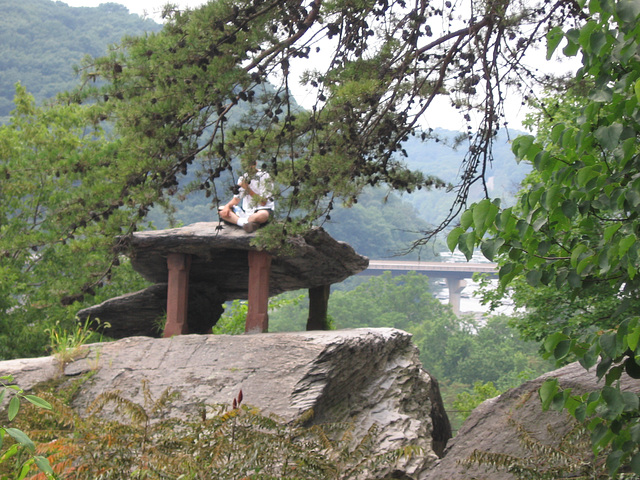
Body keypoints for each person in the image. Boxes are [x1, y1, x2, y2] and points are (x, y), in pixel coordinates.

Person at [218, 161, 275, 233]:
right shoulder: (243, 178)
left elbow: (263, 202)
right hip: (246, 211)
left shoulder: (265, 176)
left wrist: (247, 188)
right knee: (221, 209)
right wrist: (227, 207)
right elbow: (236, 200)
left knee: (261, 215)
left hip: (263, 209)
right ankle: (246, 224)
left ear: (255, 164)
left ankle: (241, 222)